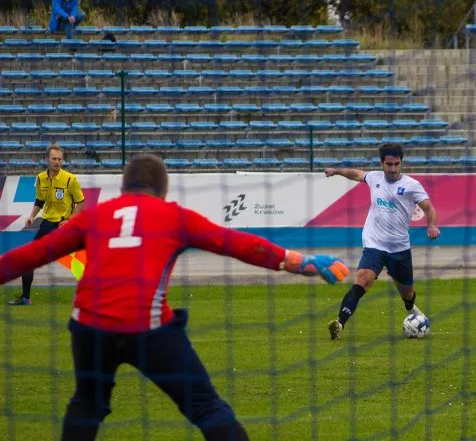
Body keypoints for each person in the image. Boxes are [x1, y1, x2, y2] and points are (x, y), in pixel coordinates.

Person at [0, 153, 350, 441]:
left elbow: (30, 256)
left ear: (123, 187)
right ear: (164, 191)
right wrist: (299, 261)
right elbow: (235, 243)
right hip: (147, 329)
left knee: (86, 404)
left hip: (89, 327)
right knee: (206, 406)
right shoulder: (174, 216)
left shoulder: (94, 216)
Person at [325, 143, 440, 340]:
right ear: (382, 163)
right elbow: (354, 173)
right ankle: (339, 324)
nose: (393, 168)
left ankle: (410, 307)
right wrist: (335, 171)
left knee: (407, 292)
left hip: (399, 248)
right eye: (389, 164)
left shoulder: (412, 185)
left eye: (396, 164)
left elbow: (429, 208)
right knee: (363, 279)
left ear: (401, 163)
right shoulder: (375, 177)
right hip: (374, 244)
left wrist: (431, 226)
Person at [8, 144, 85, 306]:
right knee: (28, 258)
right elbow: (40, 201)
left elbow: (80, 202)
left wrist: (70, 219)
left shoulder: (70, 179)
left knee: (87, 258)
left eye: (59, 159)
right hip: (48, 224)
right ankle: (26, 297)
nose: (57, 162)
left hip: (65, 226)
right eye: (54, 159)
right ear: (47, 159)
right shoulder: (41, 178)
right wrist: (31, 216)